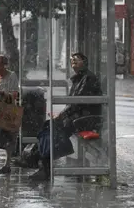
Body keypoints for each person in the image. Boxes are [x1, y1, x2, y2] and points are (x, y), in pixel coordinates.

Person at [29, 52, 103, 180]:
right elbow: (74, 104)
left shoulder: (88, 78)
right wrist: (61, 115)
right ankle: (39, 161)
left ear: (84, 62)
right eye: (72, 60)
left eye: (77, 59)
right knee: (49, 126)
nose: (73, 61)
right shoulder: (79, 78)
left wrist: (61, 115)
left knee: (53, 128)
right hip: (78, 117)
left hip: (85, 119)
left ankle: (40, 163)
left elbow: (77, 103)